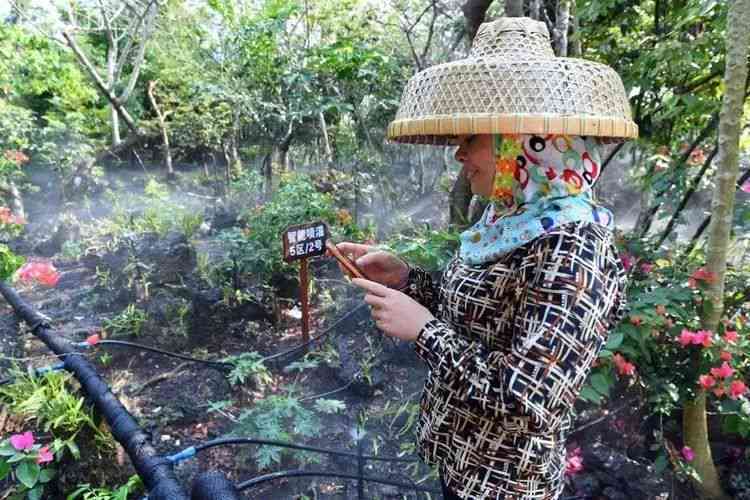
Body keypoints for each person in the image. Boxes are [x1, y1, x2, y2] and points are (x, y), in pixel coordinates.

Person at [335, 17, 635, 500]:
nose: (458, 154)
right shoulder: (510, 219)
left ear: (524, 143)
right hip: (462, 461)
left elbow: (528, 396)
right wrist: (407, 279)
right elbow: (482, 317)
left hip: (506, 483)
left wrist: (424, 330)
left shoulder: (574, 244)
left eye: (471, 138)